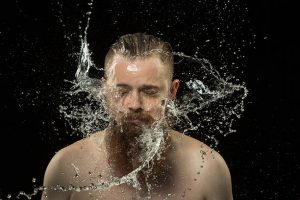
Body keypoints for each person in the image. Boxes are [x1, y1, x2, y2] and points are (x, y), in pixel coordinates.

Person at [41, 32, 233, 200]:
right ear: (104, 91)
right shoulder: (66, 167)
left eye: (149, 91)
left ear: (172, 93)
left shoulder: (207, 169)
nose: (134, 104)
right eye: (122, 91)